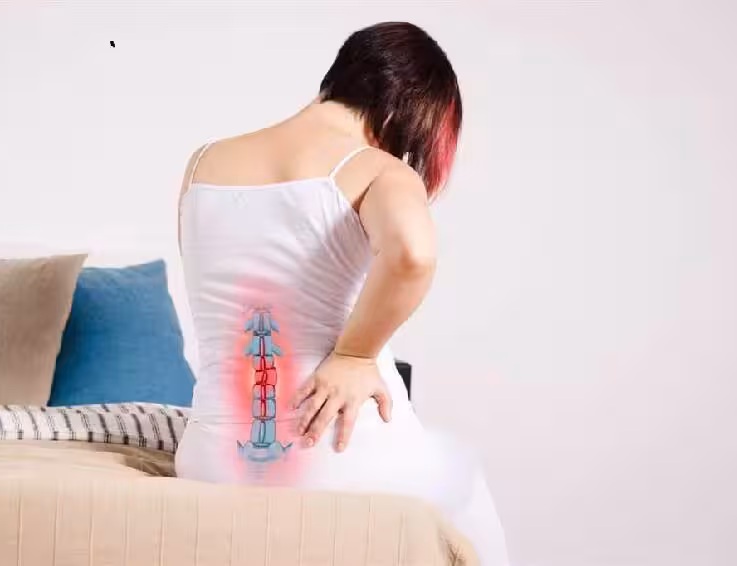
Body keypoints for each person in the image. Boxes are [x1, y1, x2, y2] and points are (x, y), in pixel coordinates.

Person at [175, 21, 511, 566]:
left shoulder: (202, 163)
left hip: (211, 457)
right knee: (468, 493)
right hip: (333, 451)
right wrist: (354, 356)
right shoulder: (377, 169)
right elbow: (413, 254)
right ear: (407, 110)